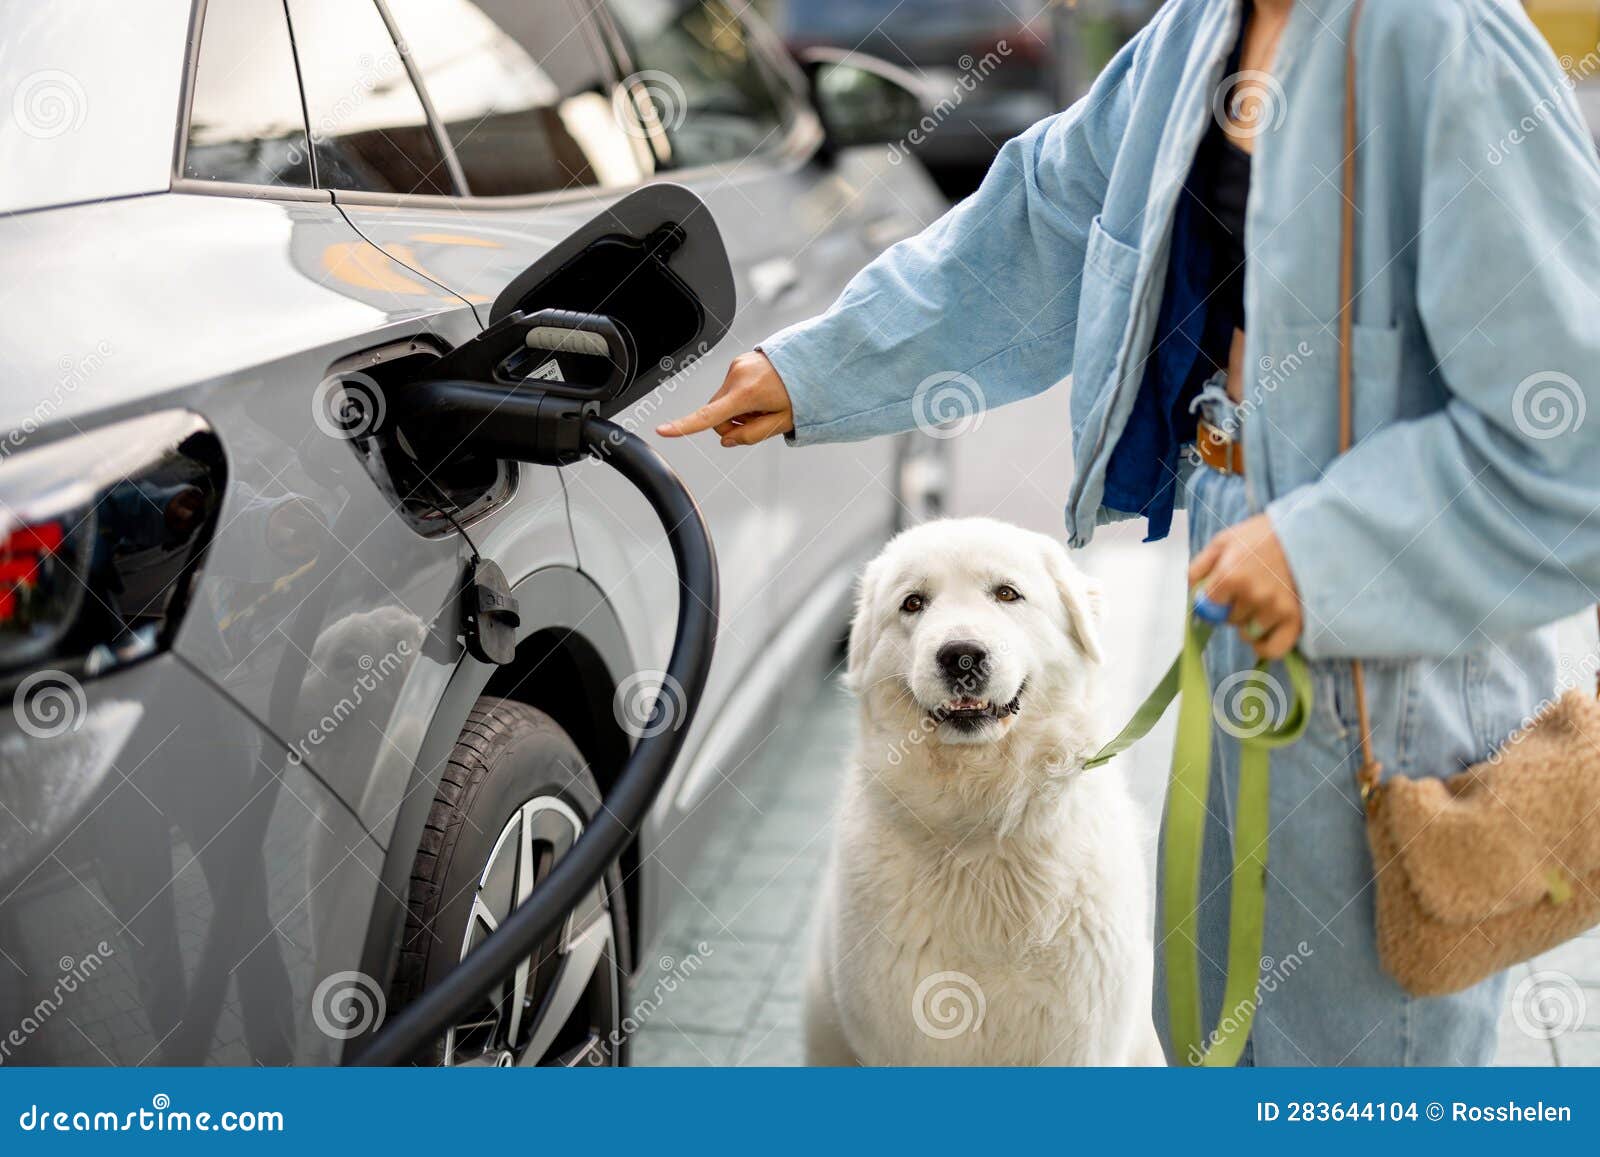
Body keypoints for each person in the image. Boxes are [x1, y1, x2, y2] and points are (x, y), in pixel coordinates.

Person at [657, 0, 1600, 1066]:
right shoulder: (1198, 30)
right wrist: (815, 368)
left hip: (1396, 634)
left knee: (1356, 1061)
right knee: (1206, 1022)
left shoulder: (1443, 38)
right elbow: (1038, 221)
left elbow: (1570, 434)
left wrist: (1323, 550)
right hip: (1235, 558)